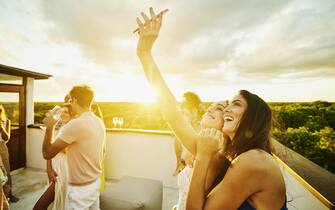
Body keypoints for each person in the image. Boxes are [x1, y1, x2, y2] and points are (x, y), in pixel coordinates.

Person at [136, 8, 287, 210]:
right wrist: (144, 53)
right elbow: (171, 111)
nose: (224, 110)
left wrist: (203, 156)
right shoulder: (227, 153)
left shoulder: (252, 160)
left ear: (253, 118)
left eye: (235, 104)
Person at [42, 85, 106, 210]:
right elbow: (103, 152)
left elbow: (47, 153)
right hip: (93, 183)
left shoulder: (76, 124)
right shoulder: (98, 121)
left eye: (70, 100)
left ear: (75, 100)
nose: (69, 104)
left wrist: (50, 126)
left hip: (79, 189)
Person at [33, 105, 73, 210]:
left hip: (64, 174)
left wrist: (50, 127)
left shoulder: (72, 131)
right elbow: (51, 152)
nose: (62, 113)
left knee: (39, 207)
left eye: (66, 112)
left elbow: (51, 150)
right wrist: (49, 169)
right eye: (62, 111)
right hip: (56, 171)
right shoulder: (62, 129)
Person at [0, 105, 18, 203]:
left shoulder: (6, 121)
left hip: (2, 147)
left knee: (6, 171)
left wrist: (1, 127)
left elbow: (7, 138)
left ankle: (9, 195)